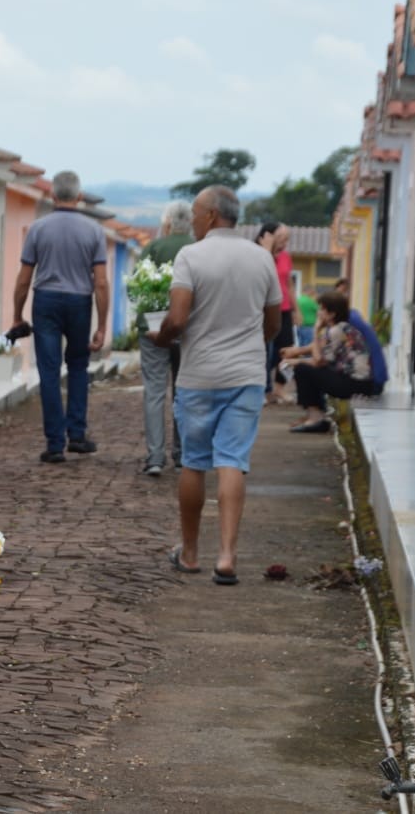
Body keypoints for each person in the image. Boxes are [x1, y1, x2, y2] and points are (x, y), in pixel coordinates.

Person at [154, 185, 281, 586]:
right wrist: (248, 346)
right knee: (232, 460)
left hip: (199, 375)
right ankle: (227, 556)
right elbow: (273, 323)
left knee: (195, 462)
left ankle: (191, 553)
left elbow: (177, 318)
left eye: (195, 213)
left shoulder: (191, 256)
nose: (192, 221)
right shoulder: (261, 258)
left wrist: (161, 337)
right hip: (246, 375)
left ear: (210, 216)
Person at [11, 170, 110, 463]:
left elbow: (23, 279)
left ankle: (55, 443)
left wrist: (17, 315)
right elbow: (101, 283)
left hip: (46, 301)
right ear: (79, 197)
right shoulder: (94, 231)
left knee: (49, 370)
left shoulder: (38, 229)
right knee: (78, 366)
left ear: (53, 195)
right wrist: (102, 325)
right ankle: (76, 434)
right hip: (80, 302)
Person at [138, 200, 194, 476]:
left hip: (153, 328)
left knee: (154, 391)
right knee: (184, 392)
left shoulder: (153, 248)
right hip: (189, 329)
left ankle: (155, 457)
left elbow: (137, 289)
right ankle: (182, 454)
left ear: (168, 223)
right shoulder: (196, 249)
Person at [285, 291, 375, 433]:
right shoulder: (341, 328)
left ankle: (316, 418)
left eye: (321, 309)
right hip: (358, 382)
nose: (318, 312)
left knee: (303, 370)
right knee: (307, 369)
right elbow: (321, 356)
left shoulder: (336, 331)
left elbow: (318, 361)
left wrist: (315, 330)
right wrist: (295, 358)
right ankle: (315, 416)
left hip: (355, 384)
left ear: (332, 314)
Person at [256, 222, 295, 403]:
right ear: (268, 237)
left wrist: (296, 309)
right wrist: (267, 251)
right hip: (264, 309)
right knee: (265, 351)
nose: (284, 243)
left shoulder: (286, 256)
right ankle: (263, 389)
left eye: (287, 239)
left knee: (288, 349)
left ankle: (280, 387)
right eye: (281, 238)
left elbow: (289, 284)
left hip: (284, 308)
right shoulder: (259, 255)